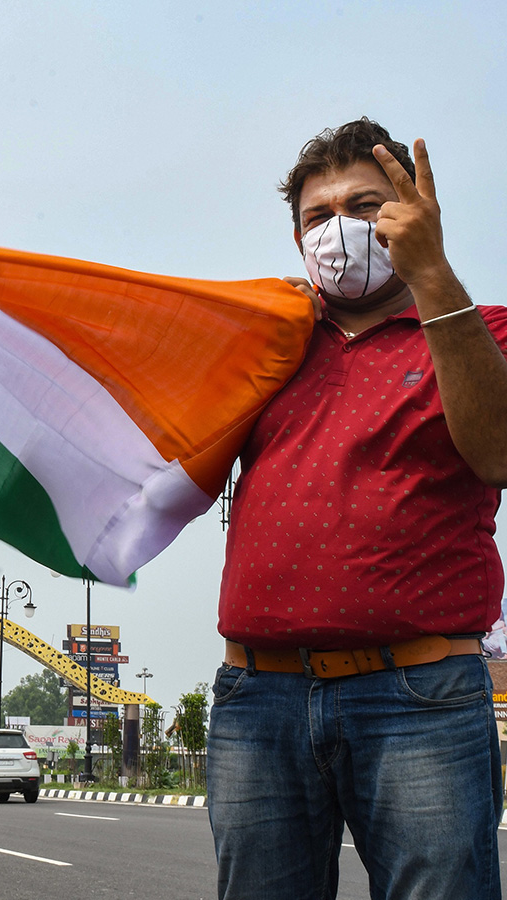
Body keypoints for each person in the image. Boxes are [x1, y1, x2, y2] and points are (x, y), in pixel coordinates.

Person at [207, 117, 507, 900]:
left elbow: (500, 452)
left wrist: (433, 273)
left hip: (418, 698)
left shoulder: (485, 333)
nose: (340, 227)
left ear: (413, 208)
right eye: (317, 215)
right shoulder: (268, 348)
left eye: (366, 204)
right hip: (257, 699)